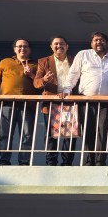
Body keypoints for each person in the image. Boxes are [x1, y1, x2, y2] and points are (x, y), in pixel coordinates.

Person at [64, 32, 108, 166]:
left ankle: (100, 161)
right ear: (91, 43)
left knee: (103, 131)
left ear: (107, 43)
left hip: (106, 102)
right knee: (88, 130)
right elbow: (73, 74)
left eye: (102, 40)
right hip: (86, 100)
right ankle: (89, 161)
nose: (99, 42)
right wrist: (67, 90)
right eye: (96, 40)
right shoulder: (83, 54)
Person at [0, 38, 37, 166]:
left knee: (27, 135)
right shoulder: (5, 62)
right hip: (7, 103)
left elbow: (40, 85)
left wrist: (31, 75)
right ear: (14, 49)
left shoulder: (36, 64)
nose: (22, 48)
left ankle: (24, 162)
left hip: (28, 105)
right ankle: (4, 160)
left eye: (25, 46)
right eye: (19, 46)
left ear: (30, 49)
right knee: (5, 133)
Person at [34, 36, 75, 166]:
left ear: (67, 46)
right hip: (52, 102)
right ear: (51, 46)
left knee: (69, 135)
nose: (59, 46)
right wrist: (45, 80)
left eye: (62, 43)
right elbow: (36, 83)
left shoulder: (74, 61)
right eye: (56, 44)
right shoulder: (44, 61)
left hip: (69, 102)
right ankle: (51, 163)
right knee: (51, 134)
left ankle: (66, 163)